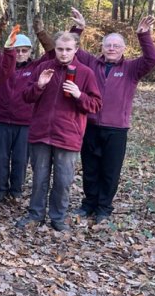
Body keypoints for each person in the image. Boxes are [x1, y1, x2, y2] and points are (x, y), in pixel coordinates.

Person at [71, 11, 155, 223]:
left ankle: (103, 208)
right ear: (102, 47)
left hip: (117, 128)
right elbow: (71, 51)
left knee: (110, 171)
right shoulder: (91, 63)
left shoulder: (131, 69)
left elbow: (153, 58)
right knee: (90, 168)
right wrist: (78, 28)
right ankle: (89, 204)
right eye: (108, 45)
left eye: (116, 46)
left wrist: (143, 35)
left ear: (123, 49)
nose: (111, 48)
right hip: (90, 125)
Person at [16, 32, 102, 232]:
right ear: (55, 49)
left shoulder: (85, 72)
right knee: (39, 178)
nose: (63, 53)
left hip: (68, 135)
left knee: (63, 181)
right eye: (60, 49)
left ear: (76, 50)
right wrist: (39, 85)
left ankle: (58, 217)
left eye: (68, 49)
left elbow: (96, 104)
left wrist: (79, 95)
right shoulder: (43, 68)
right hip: (40, 133)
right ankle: (35, 215)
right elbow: (26, 97)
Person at [0, 14, 56, 205]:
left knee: (20, 159)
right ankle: (1, 190)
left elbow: (52, 54)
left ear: (30, 52)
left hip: (25, 123)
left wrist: (40, 32)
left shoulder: (37, 67)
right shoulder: (2, 64)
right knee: (0, 158)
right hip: (1, 120)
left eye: (24, 50)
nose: (21, 53)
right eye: (17, 50)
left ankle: (16, 190)